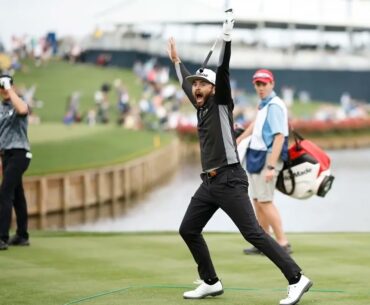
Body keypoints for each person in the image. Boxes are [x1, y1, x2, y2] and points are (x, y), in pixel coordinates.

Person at [167, 9, 312, 305]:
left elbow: (223, 70)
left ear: (213, 89)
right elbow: (184, 82)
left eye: (201, 84)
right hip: (209, 183)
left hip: (231, 179)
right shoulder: (201, 106)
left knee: (254, 234)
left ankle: (297, 278)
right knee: (188, 229)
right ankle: (211, 282)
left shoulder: (221, 103)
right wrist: (176, 62)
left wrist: (228, 40)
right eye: (195, 85)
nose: (196, 87)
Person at [237, 69, 292, 255]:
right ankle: (264, 242)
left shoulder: (275, 105)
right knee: (257, 201)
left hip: (268, 157)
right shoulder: (264, 103)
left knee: (266, 201)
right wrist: (240, 138)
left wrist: (270, 166)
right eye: (257, 84)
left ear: (272, 84)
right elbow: (255, 125)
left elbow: (278, 137)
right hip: (256, 155)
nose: (260, 87)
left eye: (264, 84)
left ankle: (283, 243)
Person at [0, 75, 32, 251]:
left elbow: (22, 110)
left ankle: (1, 237)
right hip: (6, 155)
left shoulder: (20, 102)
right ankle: (22, 235)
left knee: (4, 193)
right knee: (17, 194)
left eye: (7, 85)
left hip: (20, 154)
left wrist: (10, 90)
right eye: (1, 86)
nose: (4, 89)